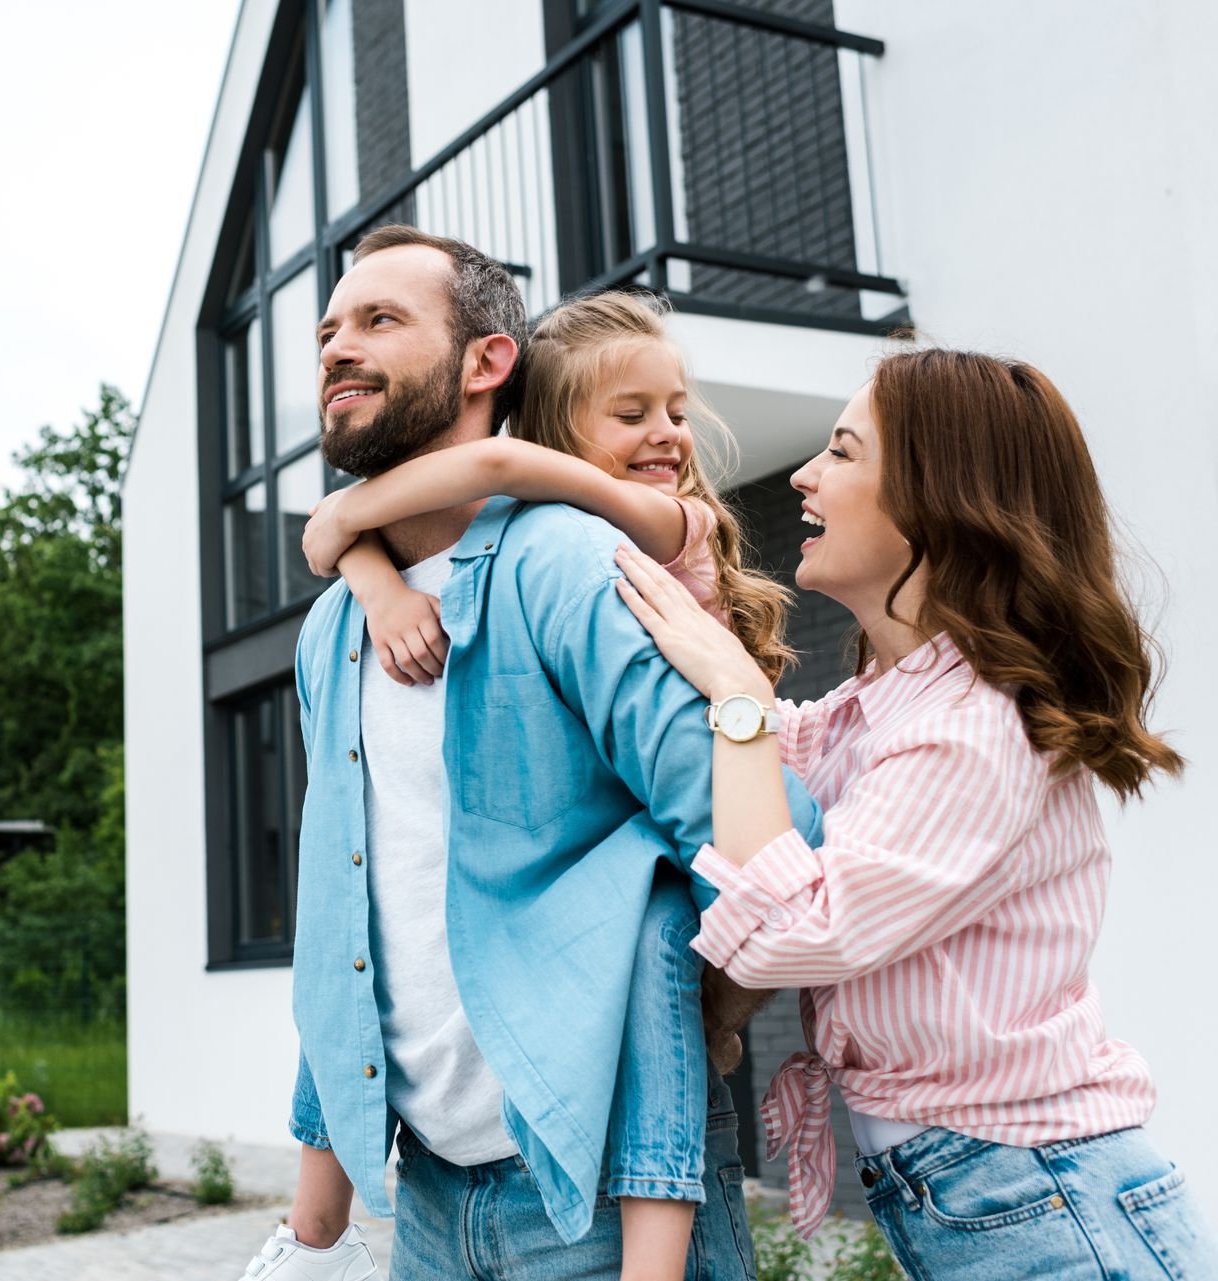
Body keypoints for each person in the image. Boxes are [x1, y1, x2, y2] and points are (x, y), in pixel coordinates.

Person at [242, 225, 820, 1281]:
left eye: (379, 320)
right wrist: (308, 1230)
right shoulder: (332, 629)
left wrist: (705, 1021)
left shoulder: (568, 563)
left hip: (604, 1205)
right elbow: (347, 929)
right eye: (327, 329)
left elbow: (755, 835)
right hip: (425, 1204)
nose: (334, 346)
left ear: (486, 363)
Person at [611, 348, 1215, 1278]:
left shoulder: (975, 726)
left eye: (844, 453)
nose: (805, 476)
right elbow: (771, 758)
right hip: (1001, 1192)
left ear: (941, 499)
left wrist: (733, 689)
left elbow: (785, 929)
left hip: (1041, 1200)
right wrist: (697, 608)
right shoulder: (888, 702)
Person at [299, 289, 792, 1079]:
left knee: (687, 1013)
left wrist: (341, 514)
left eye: (674, 409)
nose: (667, 432)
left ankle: (719, 1021)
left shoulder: (671, 520)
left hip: (708, 811)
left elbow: (496, 460)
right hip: (618, 838)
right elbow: (367, 538)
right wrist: (374, 579)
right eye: (631, 415)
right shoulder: (523, 533)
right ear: (563, 434)